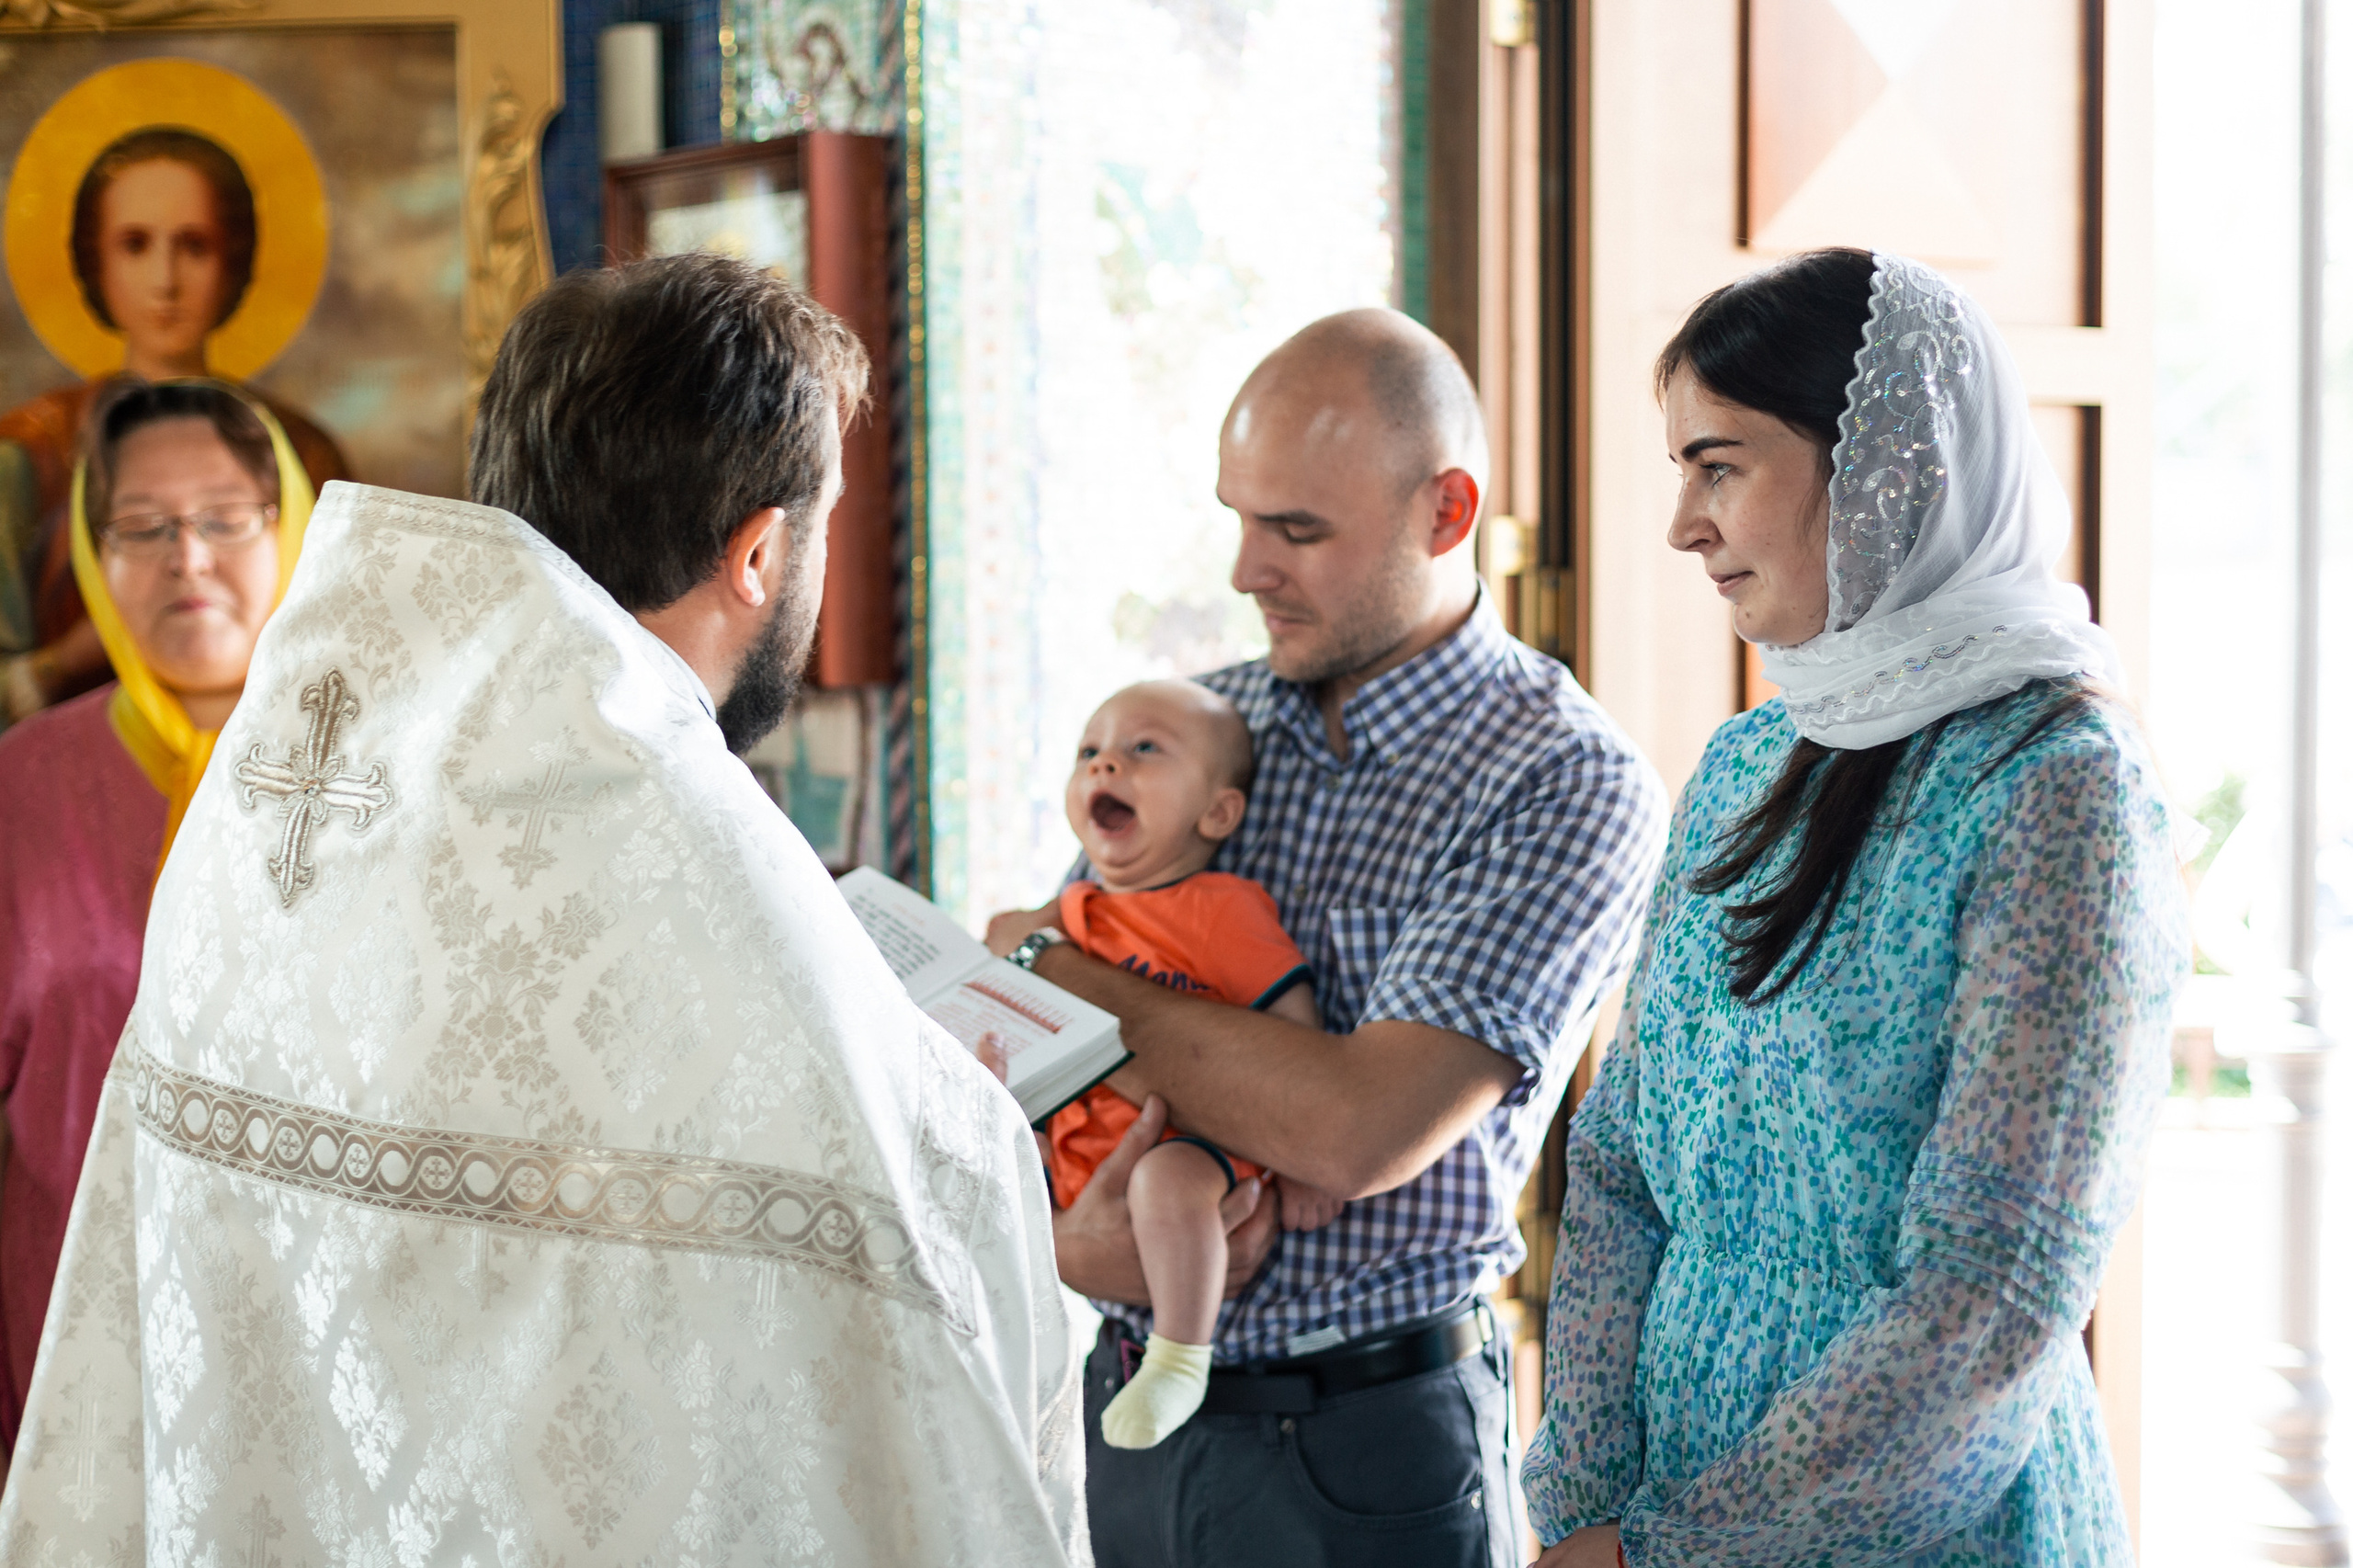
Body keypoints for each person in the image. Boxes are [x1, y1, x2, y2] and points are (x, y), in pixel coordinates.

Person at [0, 255, 1086, 1563]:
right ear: (760, 551)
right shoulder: (676, 839)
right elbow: (930, 1249)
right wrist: (962, 1114)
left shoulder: (289, 789)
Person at [1519, 250, 2188, 1566]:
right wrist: (1589, 1503)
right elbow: (1618, 1167)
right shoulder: (1746, 764)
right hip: (1654, 1502)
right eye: (1681, 471)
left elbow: (1991, 1300)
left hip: (1918, 1525)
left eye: (1722, 466)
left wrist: (1677, 1550)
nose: (1683, 525)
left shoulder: (2061, 795)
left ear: (1883, 465)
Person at [988, 308, 1667, 1567]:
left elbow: (1356, 1130)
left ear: (1446, 513)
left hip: (1364, 1446)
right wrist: (1069, 1236)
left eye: (1297, 530)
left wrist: (1056, 963)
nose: (1247, 568)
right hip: (1127, 1415)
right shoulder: (1198, 723)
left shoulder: (1563, 779)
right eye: (1239, 517)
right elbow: (1044, 1065)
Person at [0, 378, 311, 1482]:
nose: (188, 556)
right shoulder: (21, 787)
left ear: (296, 528)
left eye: (227, 517)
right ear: (93, 557)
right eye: (143, 525)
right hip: (69, 1384)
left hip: (317, 1370)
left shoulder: (379, 777)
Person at [1023, 678, 1336, 1450]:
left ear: (1217, 812)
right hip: (1079, 1163)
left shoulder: (1221, 908)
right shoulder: (1065, 921)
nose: (1103, 767)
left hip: (1197, 1143)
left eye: (1142, 751)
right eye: (1088, 752)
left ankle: (1178, 1358)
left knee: (1166, 1181)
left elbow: (1295, 1034)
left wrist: (1306, 1163)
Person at [0, 127, 347, 727]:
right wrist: (76, 654)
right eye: (135, 245)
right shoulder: (29, 453)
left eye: (194, 246)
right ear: (95, 260)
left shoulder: (303, 452)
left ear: (231, 260)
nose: (165, 280)